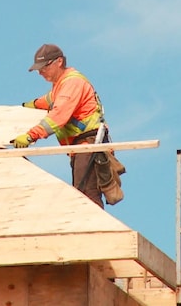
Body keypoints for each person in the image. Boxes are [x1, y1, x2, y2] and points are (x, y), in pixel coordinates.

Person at [11, 43, 110, 208]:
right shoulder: (62, 84)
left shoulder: (72, 83)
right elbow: (50, 100)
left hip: (88, 145)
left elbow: (57, 117)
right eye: (38, 69)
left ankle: (93, 231)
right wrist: (32, 104)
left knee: (86, 195)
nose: (41, 72)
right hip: (81, 147)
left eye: (44, 67)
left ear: (59, 62)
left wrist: (30, 136)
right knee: (83, 193)